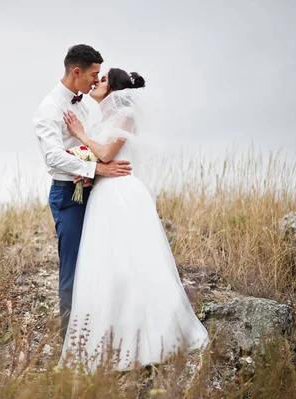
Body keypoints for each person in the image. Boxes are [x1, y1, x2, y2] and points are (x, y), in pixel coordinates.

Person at [59, 68, 209, 372]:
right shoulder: (101, 119)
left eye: (101, 80)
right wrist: (83, 171)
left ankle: (149, 339)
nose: (95, 82)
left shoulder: (125, 115)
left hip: (122, 195)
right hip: (103, 195)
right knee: (106, 267)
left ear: (113, 89)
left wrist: (81, 136)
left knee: (133, 264)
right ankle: (109, 340)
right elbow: (97, 159)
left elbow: (105, 152)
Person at [33, 45, 133, 342]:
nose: (96, 80)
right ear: (76, 71)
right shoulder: (49, 109)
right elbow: (52, 157)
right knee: (73, 272)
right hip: (69, 196)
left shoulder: (86, 106)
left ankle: (102, 335)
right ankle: (70, 345)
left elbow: (94, 145)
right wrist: (97, 170)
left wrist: (95, 166)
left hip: (97, 195)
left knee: (100, 265)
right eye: (94, 74)